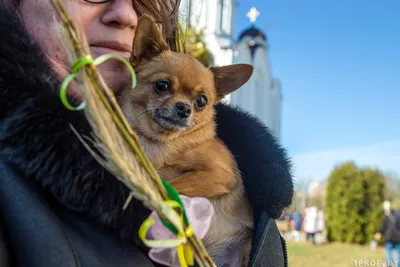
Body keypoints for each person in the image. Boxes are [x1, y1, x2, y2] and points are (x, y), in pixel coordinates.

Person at [0, 0, 294, 266]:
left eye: (150, 2)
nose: (127, 14)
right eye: (163, 86)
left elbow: (220, 178)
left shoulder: (253, 178)